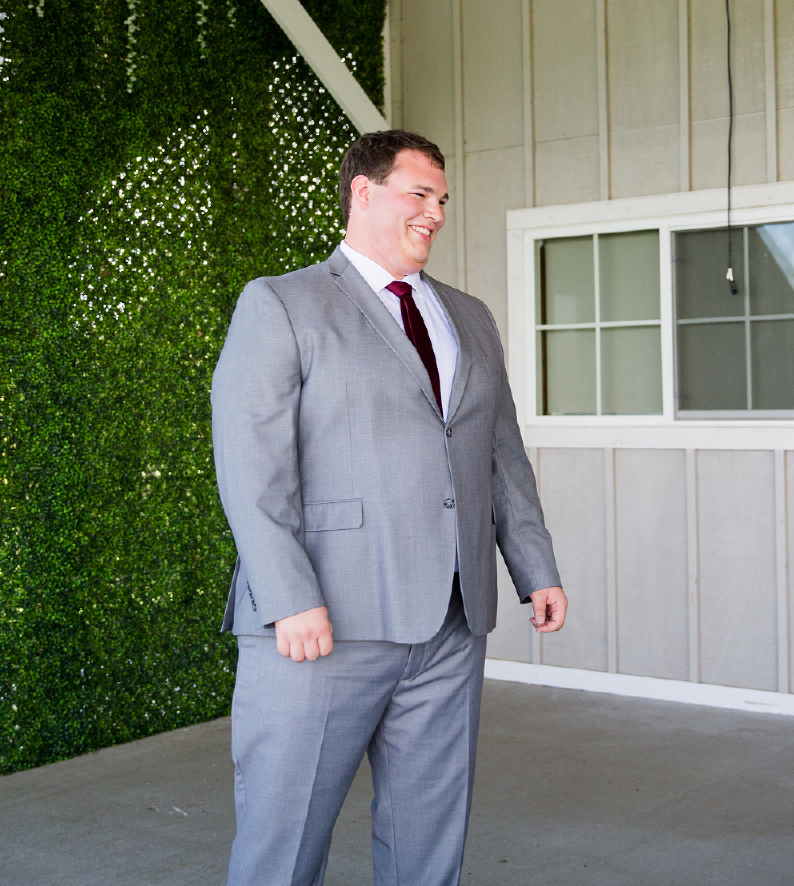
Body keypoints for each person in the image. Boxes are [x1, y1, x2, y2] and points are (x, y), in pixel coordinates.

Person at [210, 129, 566, 886]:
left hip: (451, 622)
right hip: (320, 624)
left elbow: (500, 453)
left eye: (442, 199)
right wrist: (289, 597)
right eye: (420, 194)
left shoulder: (468, 315)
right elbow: (251, 466)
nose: (436, 212)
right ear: (362, 193)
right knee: (284, 842)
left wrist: (535, 567)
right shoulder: (281, 302)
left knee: (428, 842)